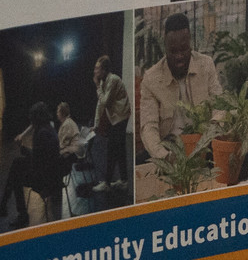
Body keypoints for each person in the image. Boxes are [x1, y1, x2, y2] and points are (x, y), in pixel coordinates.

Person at [139, 13, 224, 160]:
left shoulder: (206, 64)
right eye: (173, 51)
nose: (179, 56)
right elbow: (148, 126)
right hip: (169, 148)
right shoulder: (151, 79)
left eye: (183, 49)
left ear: (190, 43)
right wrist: (164, 156)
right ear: (165, 46)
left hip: (204, 142)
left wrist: (211, 134)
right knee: (140, 163)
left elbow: (220, 105)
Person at [0, 101, 61, 227]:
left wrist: (23, 149)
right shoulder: (49, 128)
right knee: (17, 163)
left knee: (15, 176)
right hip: (52, 172)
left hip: (44, 179)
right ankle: (3, 204)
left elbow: (36, 162)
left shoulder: (41, 134)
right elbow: (40, 157)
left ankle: (21, 214)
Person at [90, 55, 130, 194]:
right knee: (119, 150)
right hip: (116, 118)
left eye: (97, 68)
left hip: (121, 117)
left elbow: (105, 101)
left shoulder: (113, 80)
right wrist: (96, 124)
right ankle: (124, 181)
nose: (95, 71)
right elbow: (99, 106)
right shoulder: (103, 82)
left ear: (104, 69)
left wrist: (96, 86)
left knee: (112, 150)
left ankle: (107, 183)